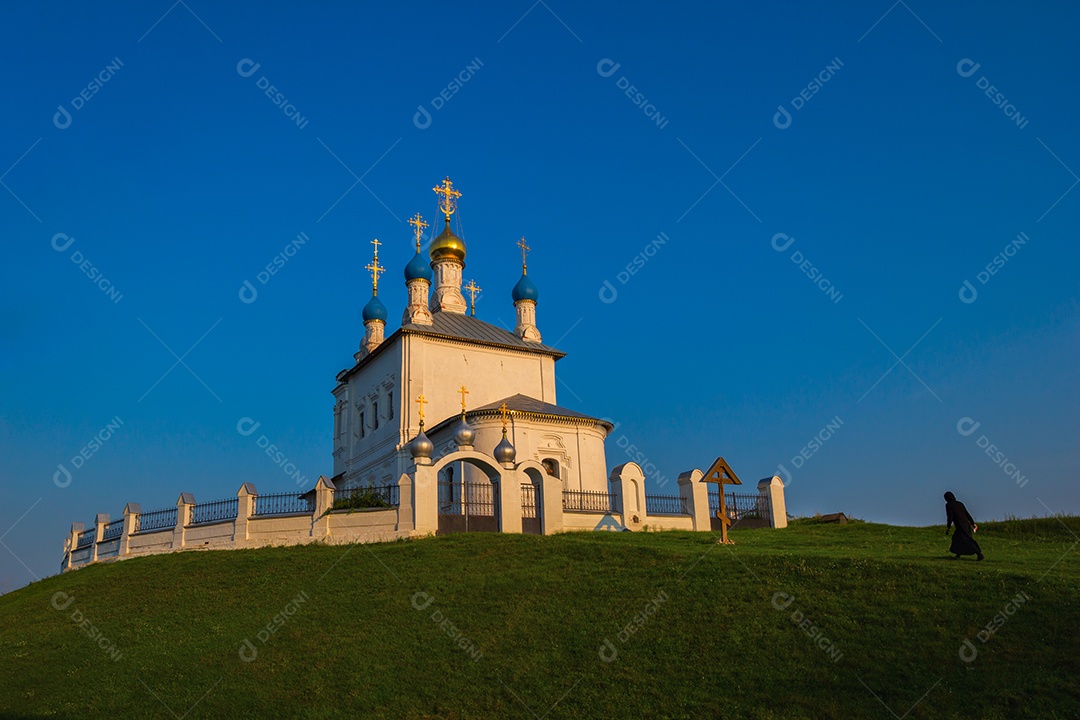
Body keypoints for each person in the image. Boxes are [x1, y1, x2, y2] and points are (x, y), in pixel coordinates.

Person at [944, 491, 984, 561]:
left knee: (967, 540)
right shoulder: (960, 504)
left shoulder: (949, 505)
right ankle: (958, 554)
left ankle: (979, 554)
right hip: (966, 524)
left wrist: (948, 527)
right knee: (957, 538)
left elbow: (950, 516)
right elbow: (967, 514)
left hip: (960, 525)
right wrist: (973, 523)